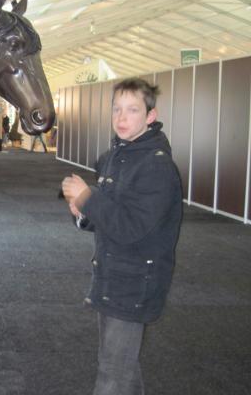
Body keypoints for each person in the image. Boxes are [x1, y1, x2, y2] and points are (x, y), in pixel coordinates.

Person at [61, 78, 182, 395]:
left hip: (134, 282)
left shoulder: (156, 167)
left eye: (132, 110)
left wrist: (88, 197)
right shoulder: (116, 156)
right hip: (114, 275)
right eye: (117, 109)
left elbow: (130, 225)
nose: (122, 117)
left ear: (150, 117)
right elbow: (109, 216)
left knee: (113, 374)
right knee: (122, 368)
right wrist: (84, 214)